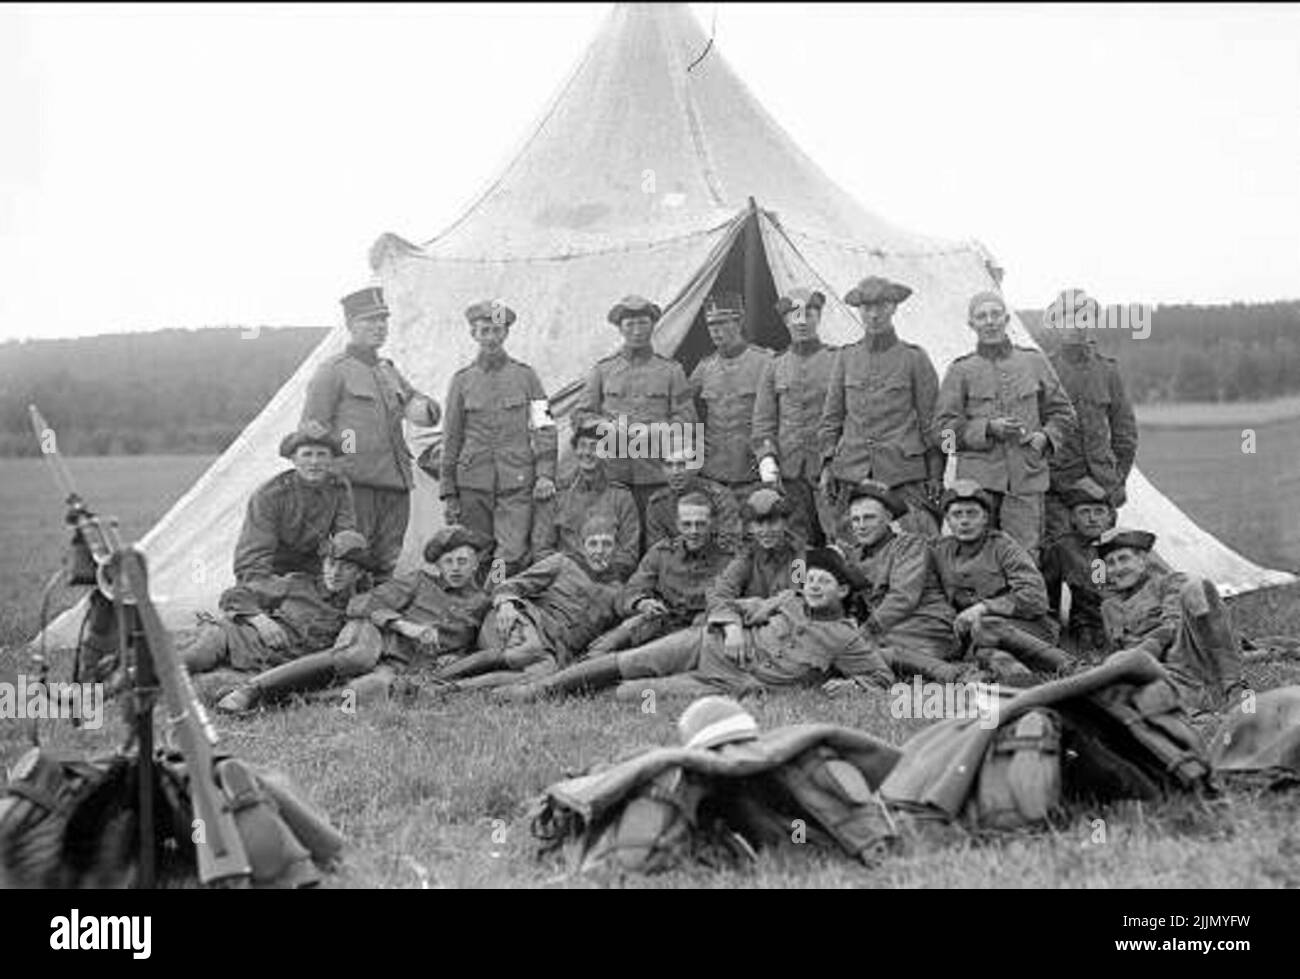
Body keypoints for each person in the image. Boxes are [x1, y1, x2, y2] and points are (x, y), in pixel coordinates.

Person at [497, 547, 894, 702]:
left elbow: (883, 678)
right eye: (809, 579)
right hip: (707, 643)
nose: (812, 585)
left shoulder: (847, 638)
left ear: (842, 590)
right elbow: (729, 605)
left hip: (727, 684)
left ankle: (575, 696)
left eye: (823, 581)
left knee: (629, 694)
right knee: (630, 660)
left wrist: (851, 684)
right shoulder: (787, 600)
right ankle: (538, 689)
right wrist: (733, 626)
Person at [214, 525, 492, 713]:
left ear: (476, 564)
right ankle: (251, 690)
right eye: (449, 561)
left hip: (403, 663)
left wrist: (454, 657)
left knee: (374, 688)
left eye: (462, 561)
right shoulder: (418, 582)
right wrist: (405, 626)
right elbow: (362, 602)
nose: (455, 568)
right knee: (357, 657)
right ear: (439, 565)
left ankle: (283, 701)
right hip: (372, 635)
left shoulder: (481, 603)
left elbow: (474, 645)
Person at [300, 286, 440, 578]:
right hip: (354, 484)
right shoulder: (333, 371)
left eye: (383, 321)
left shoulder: (388, 370)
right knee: (351, 558)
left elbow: (421, 411)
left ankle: (377, 618)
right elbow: (312, 430)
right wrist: (337, 465)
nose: (379, 327)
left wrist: (421, 405)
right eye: (369, 321)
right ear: (350, 326)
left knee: (386, 562)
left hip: (396, 482)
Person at [933, 291, 1077, 563]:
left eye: (995, 314)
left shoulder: (1033, 361)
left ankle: (1025, 606)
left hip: (1026, 478)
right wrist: (987, 429)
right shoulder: (961, 370)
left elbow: (1064, 414)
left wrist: (1045, 438)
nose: (989, 322)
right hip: (977, 486)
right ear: (971, 324)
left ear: (1007, 319)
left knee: (1025, 557)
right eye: (981, 316)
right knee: (977, 557)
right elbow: (942, 434)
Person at [430, 516, 627, 691]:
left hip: (555, 648)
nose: (599, 551)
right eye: (593, 544)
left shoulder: (618, 592)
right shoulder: (562, 563)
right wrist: (506, 604)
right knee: (527, 651)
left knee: (542, 676)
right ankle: (438, 677)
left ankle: (449, 689)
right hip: (525, 619)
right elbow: (510, 585)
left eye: (607, 544)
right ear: (582, 546)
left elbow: (614, 634)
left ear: (617, 548)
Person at [819, 276, 945, 542]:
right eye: (866, 308)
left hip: (903, 474)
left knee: (916, 543)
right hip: (853, 472)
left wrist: (936, 474)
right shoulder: (846, 357)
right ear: (859, 311)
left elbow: (933, 424)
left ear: (894, 308)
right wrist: (828, 464)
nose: (874, 314)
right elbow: (832, 418)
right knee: (849, 549)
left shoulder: (914, 358)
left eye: (881, 306)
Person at [440, 299, 559, 576]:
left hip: (516, 481)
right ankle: (479, 606)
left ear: (506, 333)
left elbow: (545, 426)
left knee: (511, 553)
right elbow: (452, 436)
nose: (491, 338)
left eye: (496, 331)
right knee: (475, 551)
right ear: (474, 334)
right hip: (472, 482)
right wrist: (448, 490)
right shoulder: (461, 381)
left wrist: (545, 474)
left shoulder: (526, 376)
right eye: (484, 331)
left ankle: (498, 597)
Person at [574, 295, 697, 538]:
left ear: (652, 326)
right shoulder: (603, 370)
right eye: (630, 325)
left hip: (657, 474)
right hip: (613, 475)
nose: (637, 331)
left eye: (643, 323)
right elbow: (580, 415)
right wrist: (605, 427)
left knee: (658, 540)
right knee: (615, 537)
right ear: (620, 329)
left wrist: (653, 432)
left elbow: (687, 420)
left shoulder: (671, 371)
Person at [930, 480, 1074, 684]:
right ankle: (1021, 679)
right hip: (979, 636)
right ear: (948, 520)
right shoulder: (941, 550)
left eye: (972, 513)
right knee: (984, 652)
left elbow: (1035, 597)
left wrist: (983, 608)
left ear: (986, 518)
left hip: (1028, 629)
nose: (964, 521)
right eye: (957, 515)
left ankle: (1071, 665)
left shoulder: (1004, 547)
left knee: (986, 627)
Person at [1097, 527, 1244, 713]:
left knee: (1197, 586)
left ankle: (1233, 685)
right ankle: (1194, 712)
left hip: (1189, 655)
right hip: (1158, 673)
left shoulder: (1169, 582)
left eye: (1123, 559)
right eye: (1110, 563)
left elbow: (1174, 623)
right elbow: (1120, 648)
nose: (1117, 568)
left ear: (1142, 561)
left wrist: (1150, 645)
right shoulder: (1109, 607)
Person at [184, 530, 371, 676]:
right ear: (322, 564)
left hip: (268, 670)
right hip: (235, 638)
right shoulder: (296, 584)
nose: (335, 572)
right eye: (331, 563)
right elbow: (235, 594)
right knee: (198, 657)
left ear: (359, 573)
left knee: (211, 688)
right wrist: (259, 619)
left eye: (346, 567)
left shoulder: (359, 608)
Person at [840, 481, 965, 683]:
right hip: (888, 631)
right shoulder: (854, 556)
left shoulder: (910, 545)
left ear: (888, 518)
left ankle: (954, 674)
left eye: (869, 518)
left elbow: (903, 598)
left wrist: (864, 632)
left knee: (860, 654)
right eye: (856, 520)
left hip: (926, 626)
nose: (861, 526)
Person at [586, 491, 734, 656]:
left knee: (634, 662)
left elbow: (733, 604)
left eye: (700, 524)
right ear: (678, 524)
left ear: (712, 524)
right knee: (607, 645)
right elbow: (630, 591)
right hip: (658, 623)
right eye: (687, 524)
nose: (693, 531)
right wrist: (642, 603)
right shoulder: (662, 552)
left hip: (698, 634)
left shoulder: (728, 561)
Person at [1043, 289, 1138, 544]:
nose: (1076, 325)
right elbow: (1037, 431)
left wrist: (1116, 479)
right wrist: (1054, 478)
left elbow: (1125, 433)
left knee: (1103, 559)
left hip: (1102, 486)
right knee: (1061, 554)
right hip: (1059, 487)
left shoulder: (1108, 370)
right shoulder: (1044, 369)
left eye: (1084, 317)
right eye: (1068, 317)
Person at [752, 287, 839, 546]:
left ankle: (840, 585)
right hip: (789, 470)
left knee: (837, 534)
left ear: (818, 318)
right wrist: (768, 461)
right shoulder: (774, 365)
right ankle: (798, 584)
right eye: (795, 315)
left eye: (809, 314)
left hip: (829, 469)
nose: (802, 321)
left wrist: (834, 461)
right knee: (794, 539)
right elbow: (763, 422)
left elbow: (847, 416)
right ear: (786, 321)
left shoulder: (837, 360)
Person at [233, 423, 358, 585]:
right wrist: (264, 584)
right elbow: (254, 554)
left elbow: (346, 539)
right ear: (293, 458)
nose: (314, 462)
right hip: (273, 569)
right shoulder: (270, 495)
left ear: (331, 459)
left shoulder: (339, 488)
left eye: (321, 454)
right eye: (307, 454)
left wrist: (342, 572)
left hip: (316, 568)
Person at [529, 422, 641, 582]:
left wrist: (603, 573)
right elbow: (542, 550)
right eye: (582, 446)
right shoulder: (557, 496)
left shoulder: (622, 497)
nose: (587, 453)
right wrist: (569, 576)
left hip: (608, 582)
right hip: (564, 582)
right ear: (575, 451)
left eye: (595, 447)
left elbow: (629, 554)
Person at [689, 292, 772, 504]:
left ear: (739, 322)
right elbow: (684, 411)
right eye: (710, 325)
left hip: (750, 472)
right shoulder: (704, 367)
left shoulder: (764, 362)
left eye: (722, 323)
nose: (715, 330)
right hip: (712, 472)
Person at [1040, 476, 1118, 659]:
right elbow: (1049, 595)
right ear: (1072, 518)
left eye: (1099, 512)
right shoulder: (1062, 548)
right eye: (1084, 512)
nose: (1092, 519)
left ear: (1110, 517)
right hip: (1085, 624)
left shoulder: (1123, 543)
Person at [707, 488, 803, 605]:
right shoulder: (747, 555)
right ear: (750, 527)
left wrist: (751, 606)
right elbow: (721, 592)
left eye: (773, 522)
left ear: (785, 522)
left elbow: (795, 597)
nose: (766, 530)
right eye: (759, 524)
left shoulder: (798, 557)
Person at [643, 442, 743, 553]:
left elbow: (730, 544)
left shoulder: (720, 497)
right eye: (669, 465)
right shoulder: (657, 504)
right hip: (674, 564)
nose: (675, 472)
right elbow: (657, 550)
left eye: (682, 465)